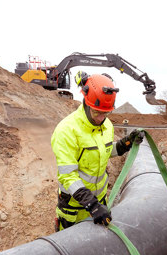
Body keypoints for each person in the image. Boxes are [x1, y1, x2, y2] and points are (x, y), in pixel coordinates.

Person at [50, 71, 144, 231]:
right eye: (97, 112)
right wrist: (91, 204)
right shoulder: (66, 130)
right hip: (74, 209)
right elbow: (68, 176)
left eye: (106, 113)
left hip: (100, 202)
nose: (101, 118)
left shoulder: (106, 126)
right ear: (86, 102)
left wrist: (125, 144)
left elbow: (105, 151)